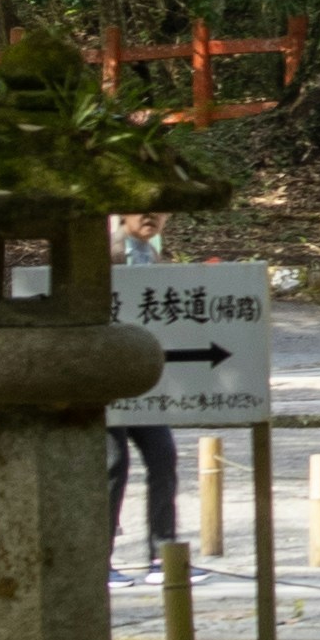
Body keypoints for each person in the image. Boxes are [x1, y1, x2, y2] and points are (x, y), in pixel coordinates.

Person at [102, 215, 181, 575]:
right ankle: (99, 561)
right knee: (113, 465)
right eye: (141, 208)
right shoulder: (107, 254)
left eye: (159, 210)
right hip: (108, 382)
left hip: (146, 384)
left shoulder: (153, 255)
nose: (151, 216)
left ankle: (162, 553)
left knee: (163, 457)